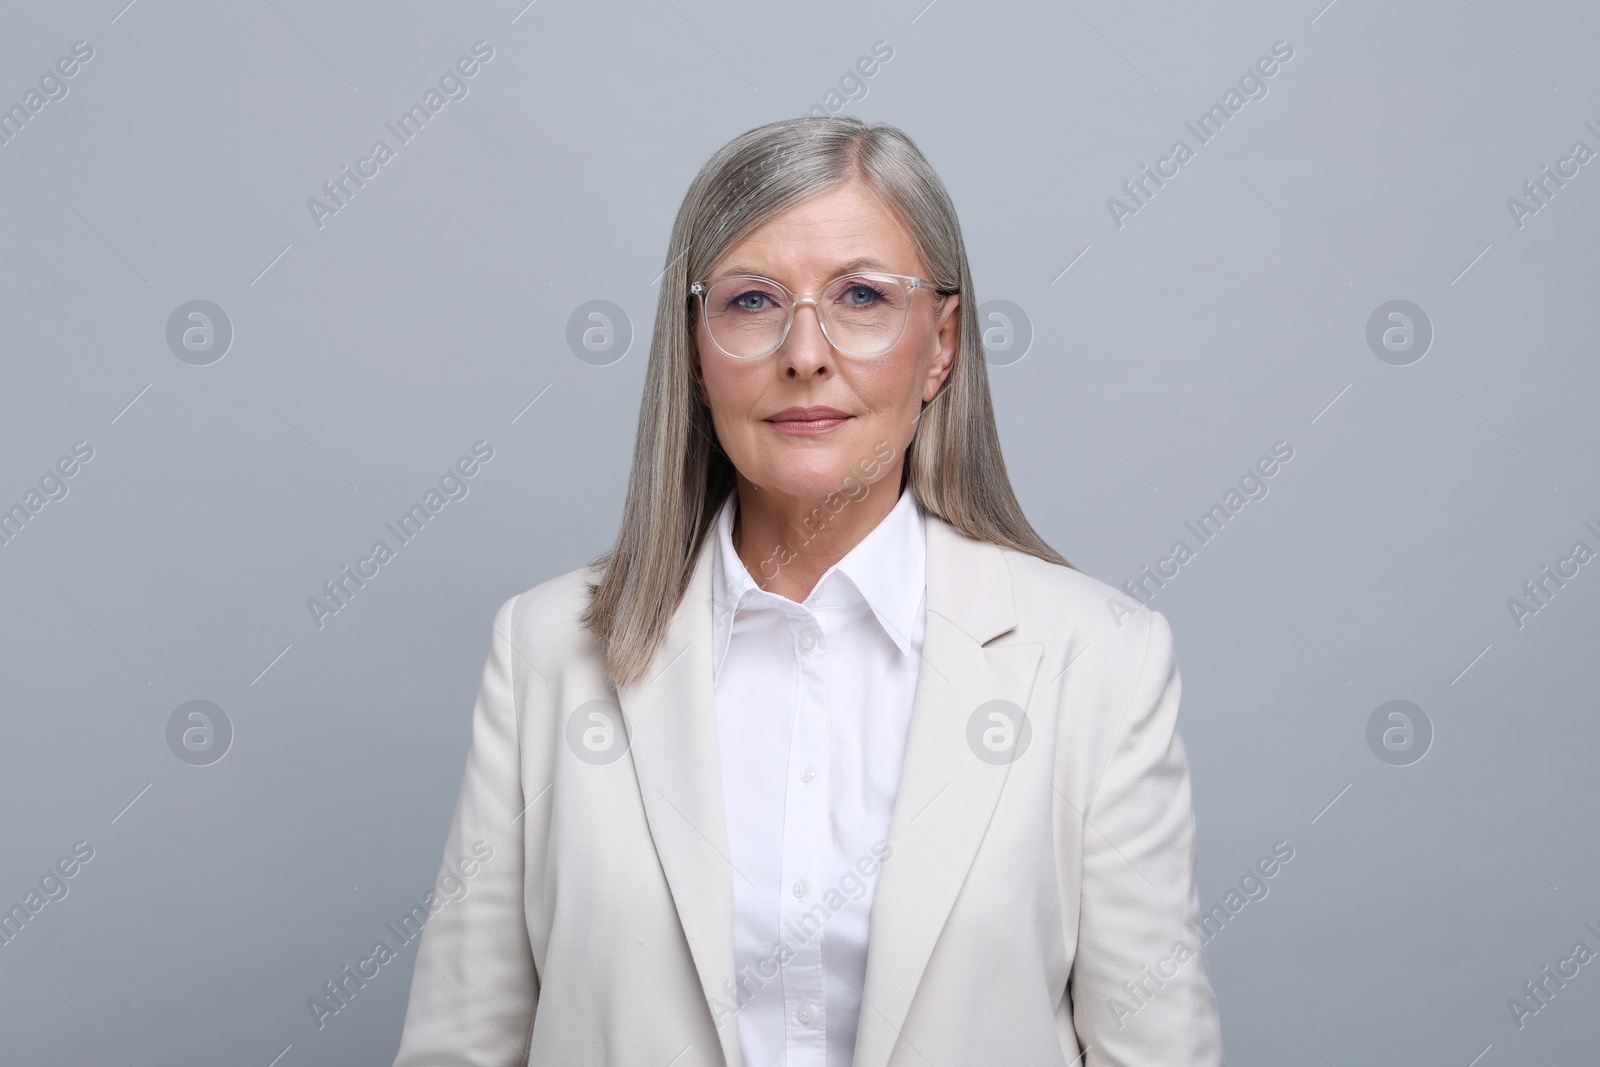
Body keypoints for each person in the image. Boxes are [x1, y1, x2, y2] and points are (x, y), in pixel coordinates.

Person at [392, 114, 1223, 1067]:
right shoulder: (545, 650)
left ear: (941, 344)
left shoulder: (1097, 658)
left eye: (862, 295)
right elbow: (461, 1045)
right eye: (751, 300)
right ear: (695, 351)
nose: (805, 352)